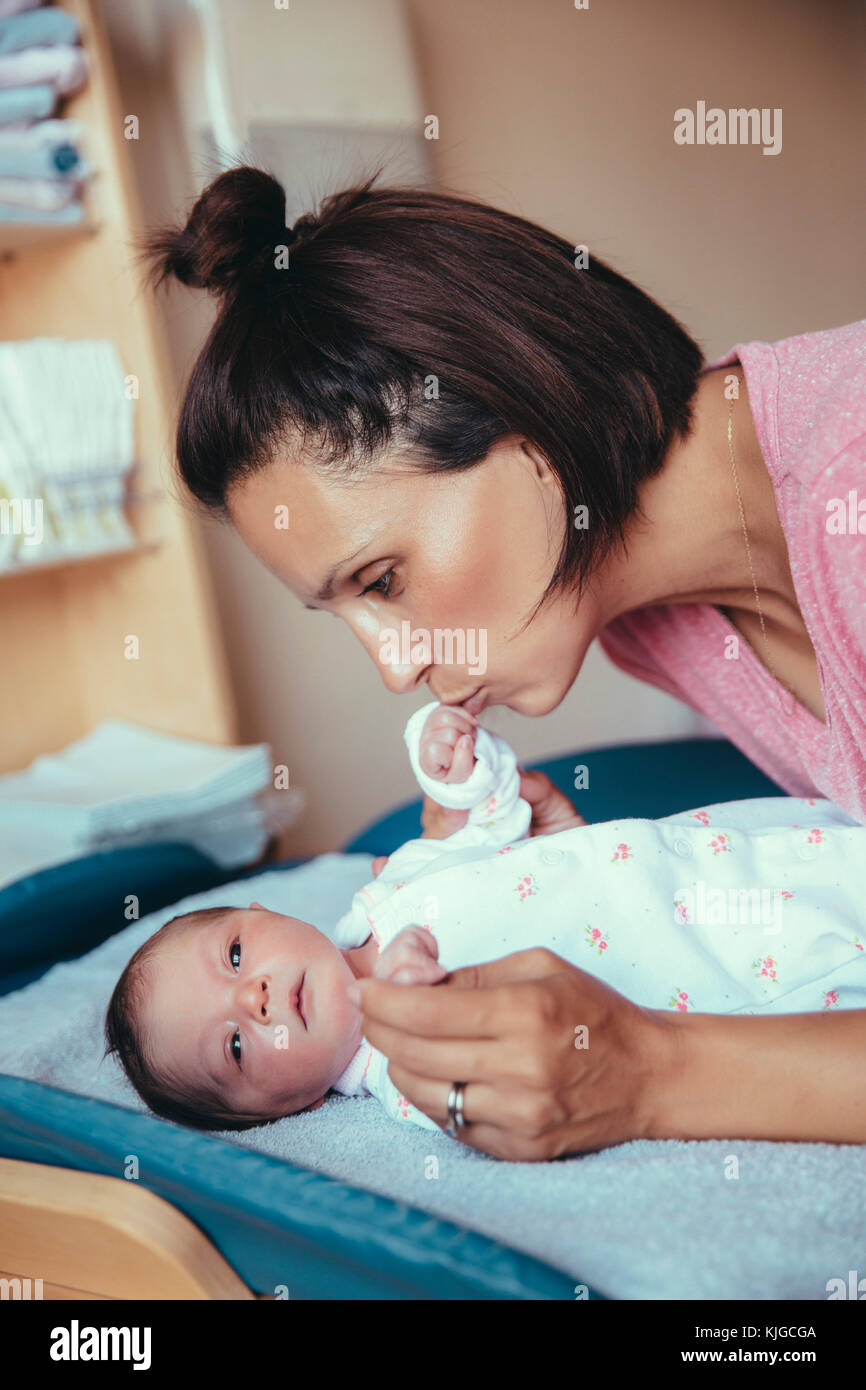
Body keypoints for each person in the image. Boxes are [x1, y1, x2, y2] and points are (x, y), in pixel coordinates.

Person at [137, 164, 866, 1157]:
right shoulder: (647, 623)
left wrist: (650, 1072)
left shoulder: (846, 489)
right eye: (341, 611)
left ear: (517, 429)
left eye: (380, 579)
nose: (393, 670)